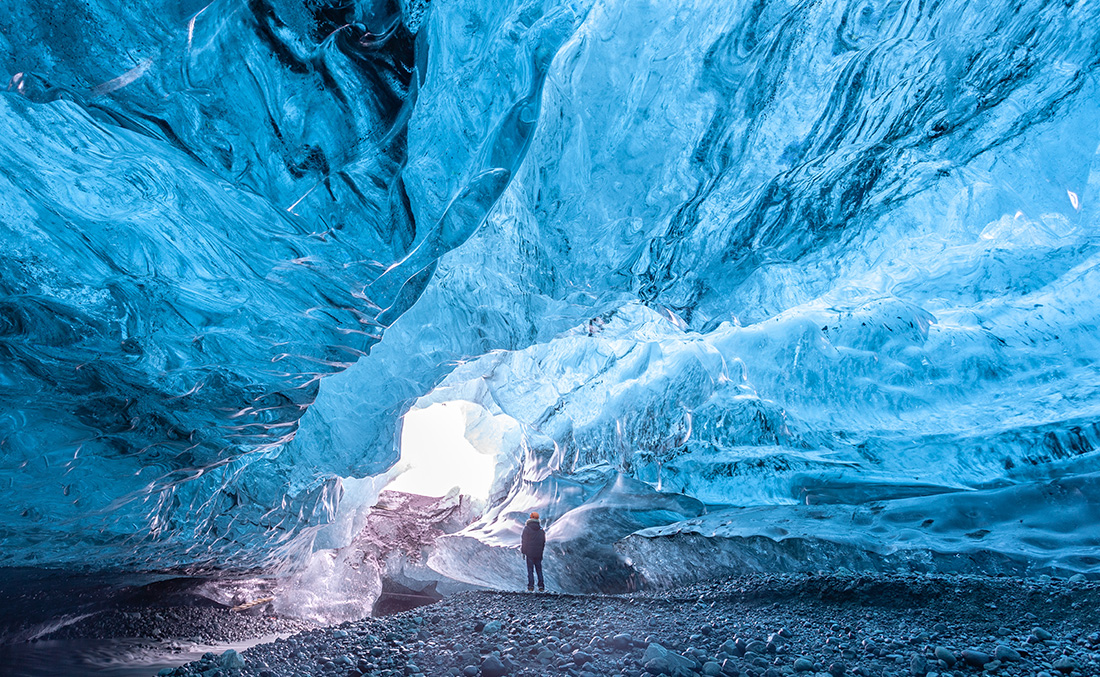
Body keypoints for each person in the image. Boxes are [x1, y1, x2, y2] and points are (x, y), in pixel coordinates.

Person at [520, 511, 546, 591]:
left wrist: (523, 552)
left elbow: (524, 541)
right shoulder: (541, 530)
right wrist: (541, 552)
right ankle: (541, 586)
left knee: (530, 570)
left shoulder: (527, 529)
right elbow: (543, 542)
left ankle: (531, 586)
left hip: (529, 552)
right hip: (538, 553)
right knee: (539, 569)